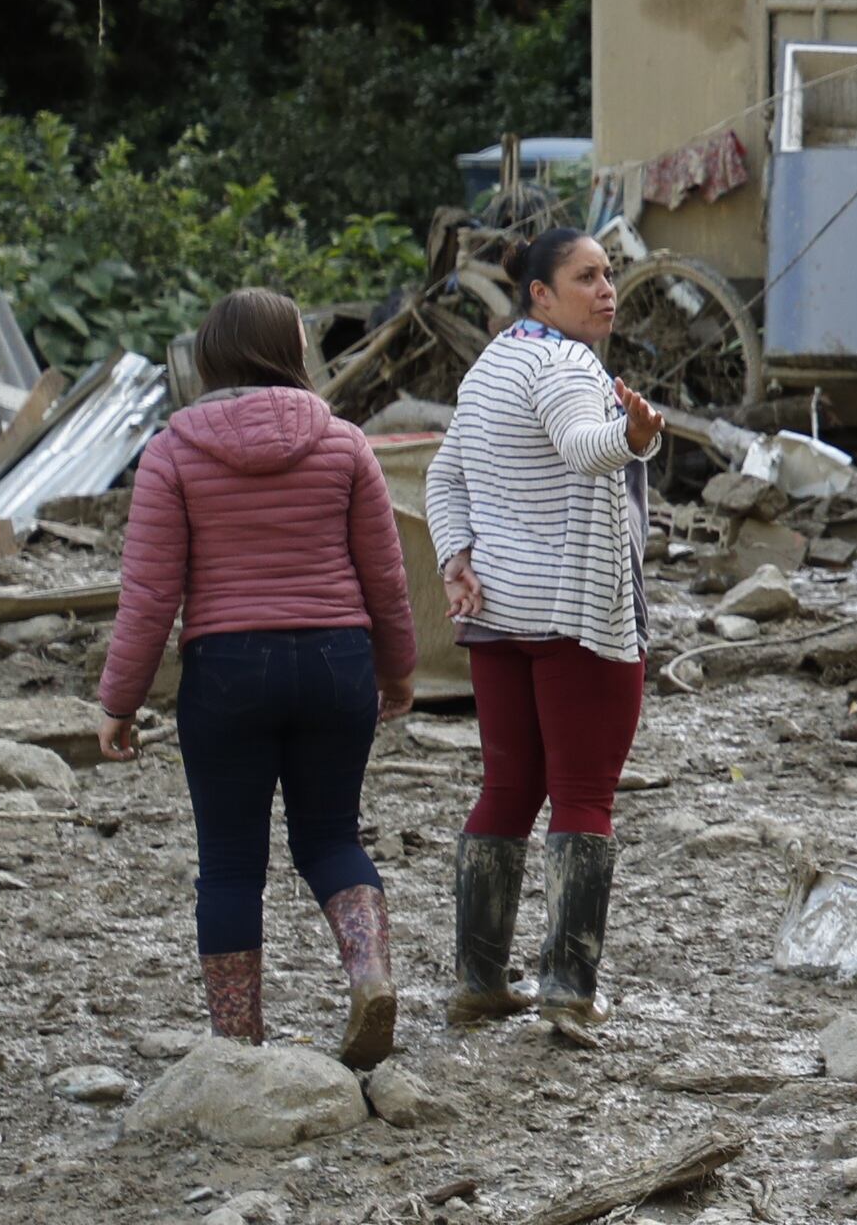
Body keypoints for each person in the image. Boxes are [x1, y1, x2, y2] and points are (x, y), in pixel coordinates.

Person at [96, 289, 417, 1064]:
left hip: (227, 671)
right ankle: (370, 974)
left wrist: (120, 701)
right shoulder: (344, 444)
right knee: (331, 837)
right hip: (337, 663)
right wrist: (398, 669)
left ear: (212, 356)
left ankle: (238, 1049)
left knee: (231, 864)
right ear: (290, 352)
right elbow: (386, 577)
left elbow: (150, 595)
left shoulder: (173, 451)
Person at [425, 227, 664, 1037]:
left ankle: (479, 983)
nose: (607, 290)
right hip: (575, 615)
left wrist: (455, 557)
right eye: (586, 277)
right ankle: (568, 990)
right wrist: (633, 438)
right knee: (584, 796)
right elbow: (582, 446)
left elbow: (443, 476)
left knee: (507, 787)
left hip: (497, 615)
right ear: (541, 294)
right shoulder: (566, 366)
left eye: (610, 275)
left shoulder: (493, 362)